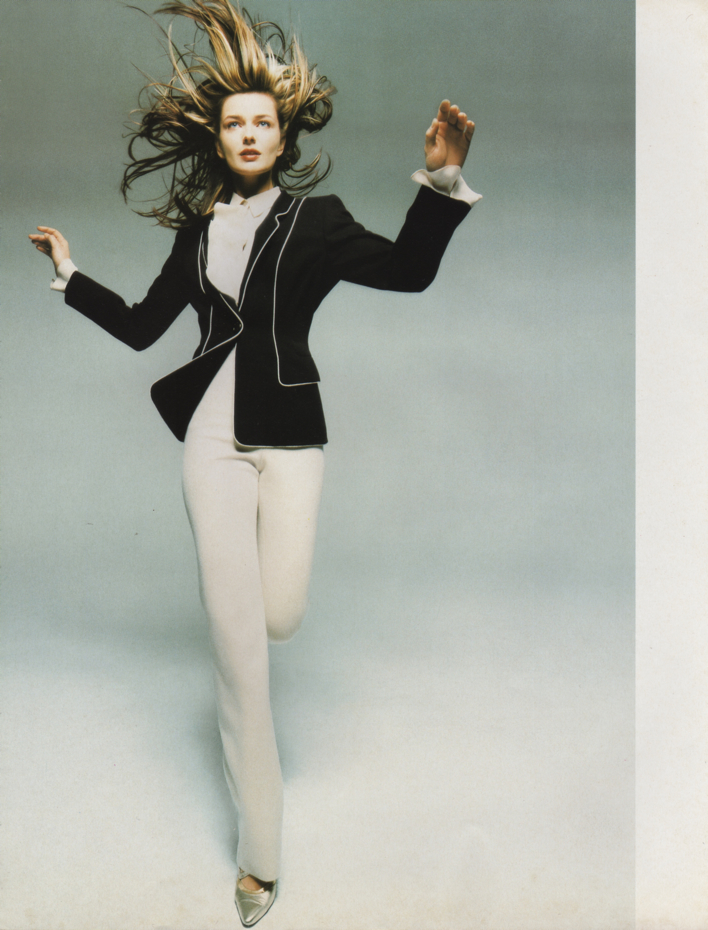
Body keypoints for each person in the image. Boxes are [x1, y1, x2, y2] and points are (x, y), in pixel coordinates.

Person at [29, 0, 481, 924]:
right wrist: (72, 278)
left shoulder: (319, 221)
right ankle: (260, 857)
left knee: (279, 616)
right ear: (218, 137)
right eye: (233, 122)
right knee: (240, 653)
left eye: (261, 122)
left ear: (283, 136)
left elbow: (409, 272)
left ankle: (261, 764)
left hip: (292, 436)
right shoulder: (196, 233)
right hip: (211, 440)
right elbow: (144, 328)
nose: (246, 133)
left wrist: (440, 183)